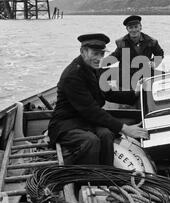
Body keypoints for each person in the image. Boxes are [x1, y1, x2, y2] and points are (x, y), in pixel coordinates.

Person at [47, 33, 148, 166]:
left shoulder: (94, 69)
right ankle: (88, 181)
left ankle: (106, 175)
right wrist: (125, 128)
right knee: (91, 141)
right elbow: (91, 110)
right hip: (66, 123)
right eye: (95, 53)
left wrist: (133, 94)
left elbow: (107, 93)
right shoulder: (72, 75)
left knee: (106, 134)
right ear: (83, 52)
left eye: (101, 54)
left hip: (85, 121)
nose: (99, 58)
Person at [102, 15, 164, 91]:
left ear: (140, 27)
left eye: (136, 27)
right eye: (131, 28)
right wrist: (100, 63)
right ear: (127, 29)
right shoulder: (122, 43)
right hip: (126, 76)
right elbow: (114, 57)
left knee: (166, 76)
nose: (134, 30)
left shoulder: (151, 41)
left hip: (144, 73)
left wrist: (154, 62)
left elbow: (159, 53)